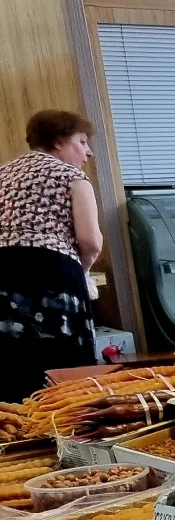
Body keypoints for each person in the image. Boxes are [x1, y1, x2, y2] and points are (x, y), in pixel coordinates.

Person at [0, 110, 103, 402]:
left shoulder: (2, 174)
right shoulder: (71, 176)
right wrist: (81, 272)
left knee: (11, 364)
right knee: (62, 370)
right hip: (52, 272)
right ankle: (59, 435)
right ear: (58, 142)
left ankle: (17, 435)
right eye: (82, 142)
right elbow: (90, 240)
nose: (89, 152)